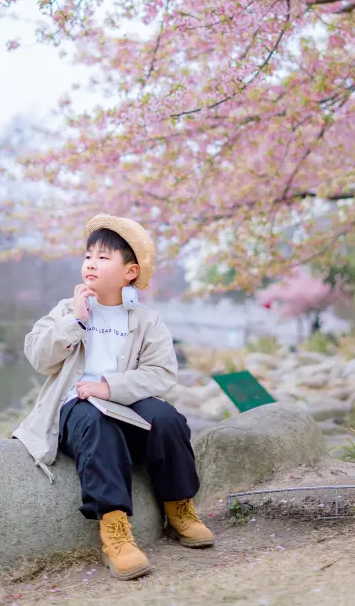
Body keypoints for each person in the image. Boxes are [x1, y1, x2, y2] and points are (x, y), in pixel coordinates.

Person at [12, 213, 214, 581]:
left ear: (130, 271)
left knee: (167, 418)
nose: (91, 263)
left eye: (104, 257)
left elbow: (163, 374)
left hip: (126, 407)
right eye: (88, 255)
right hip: (77, 414)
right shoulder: (64, 309)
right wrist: (74, 320)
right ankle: (115, 529)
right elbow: (39, 359)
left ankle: (179, 507)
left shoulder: (147, 320)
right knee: (95, 419)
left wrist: (110, 387)